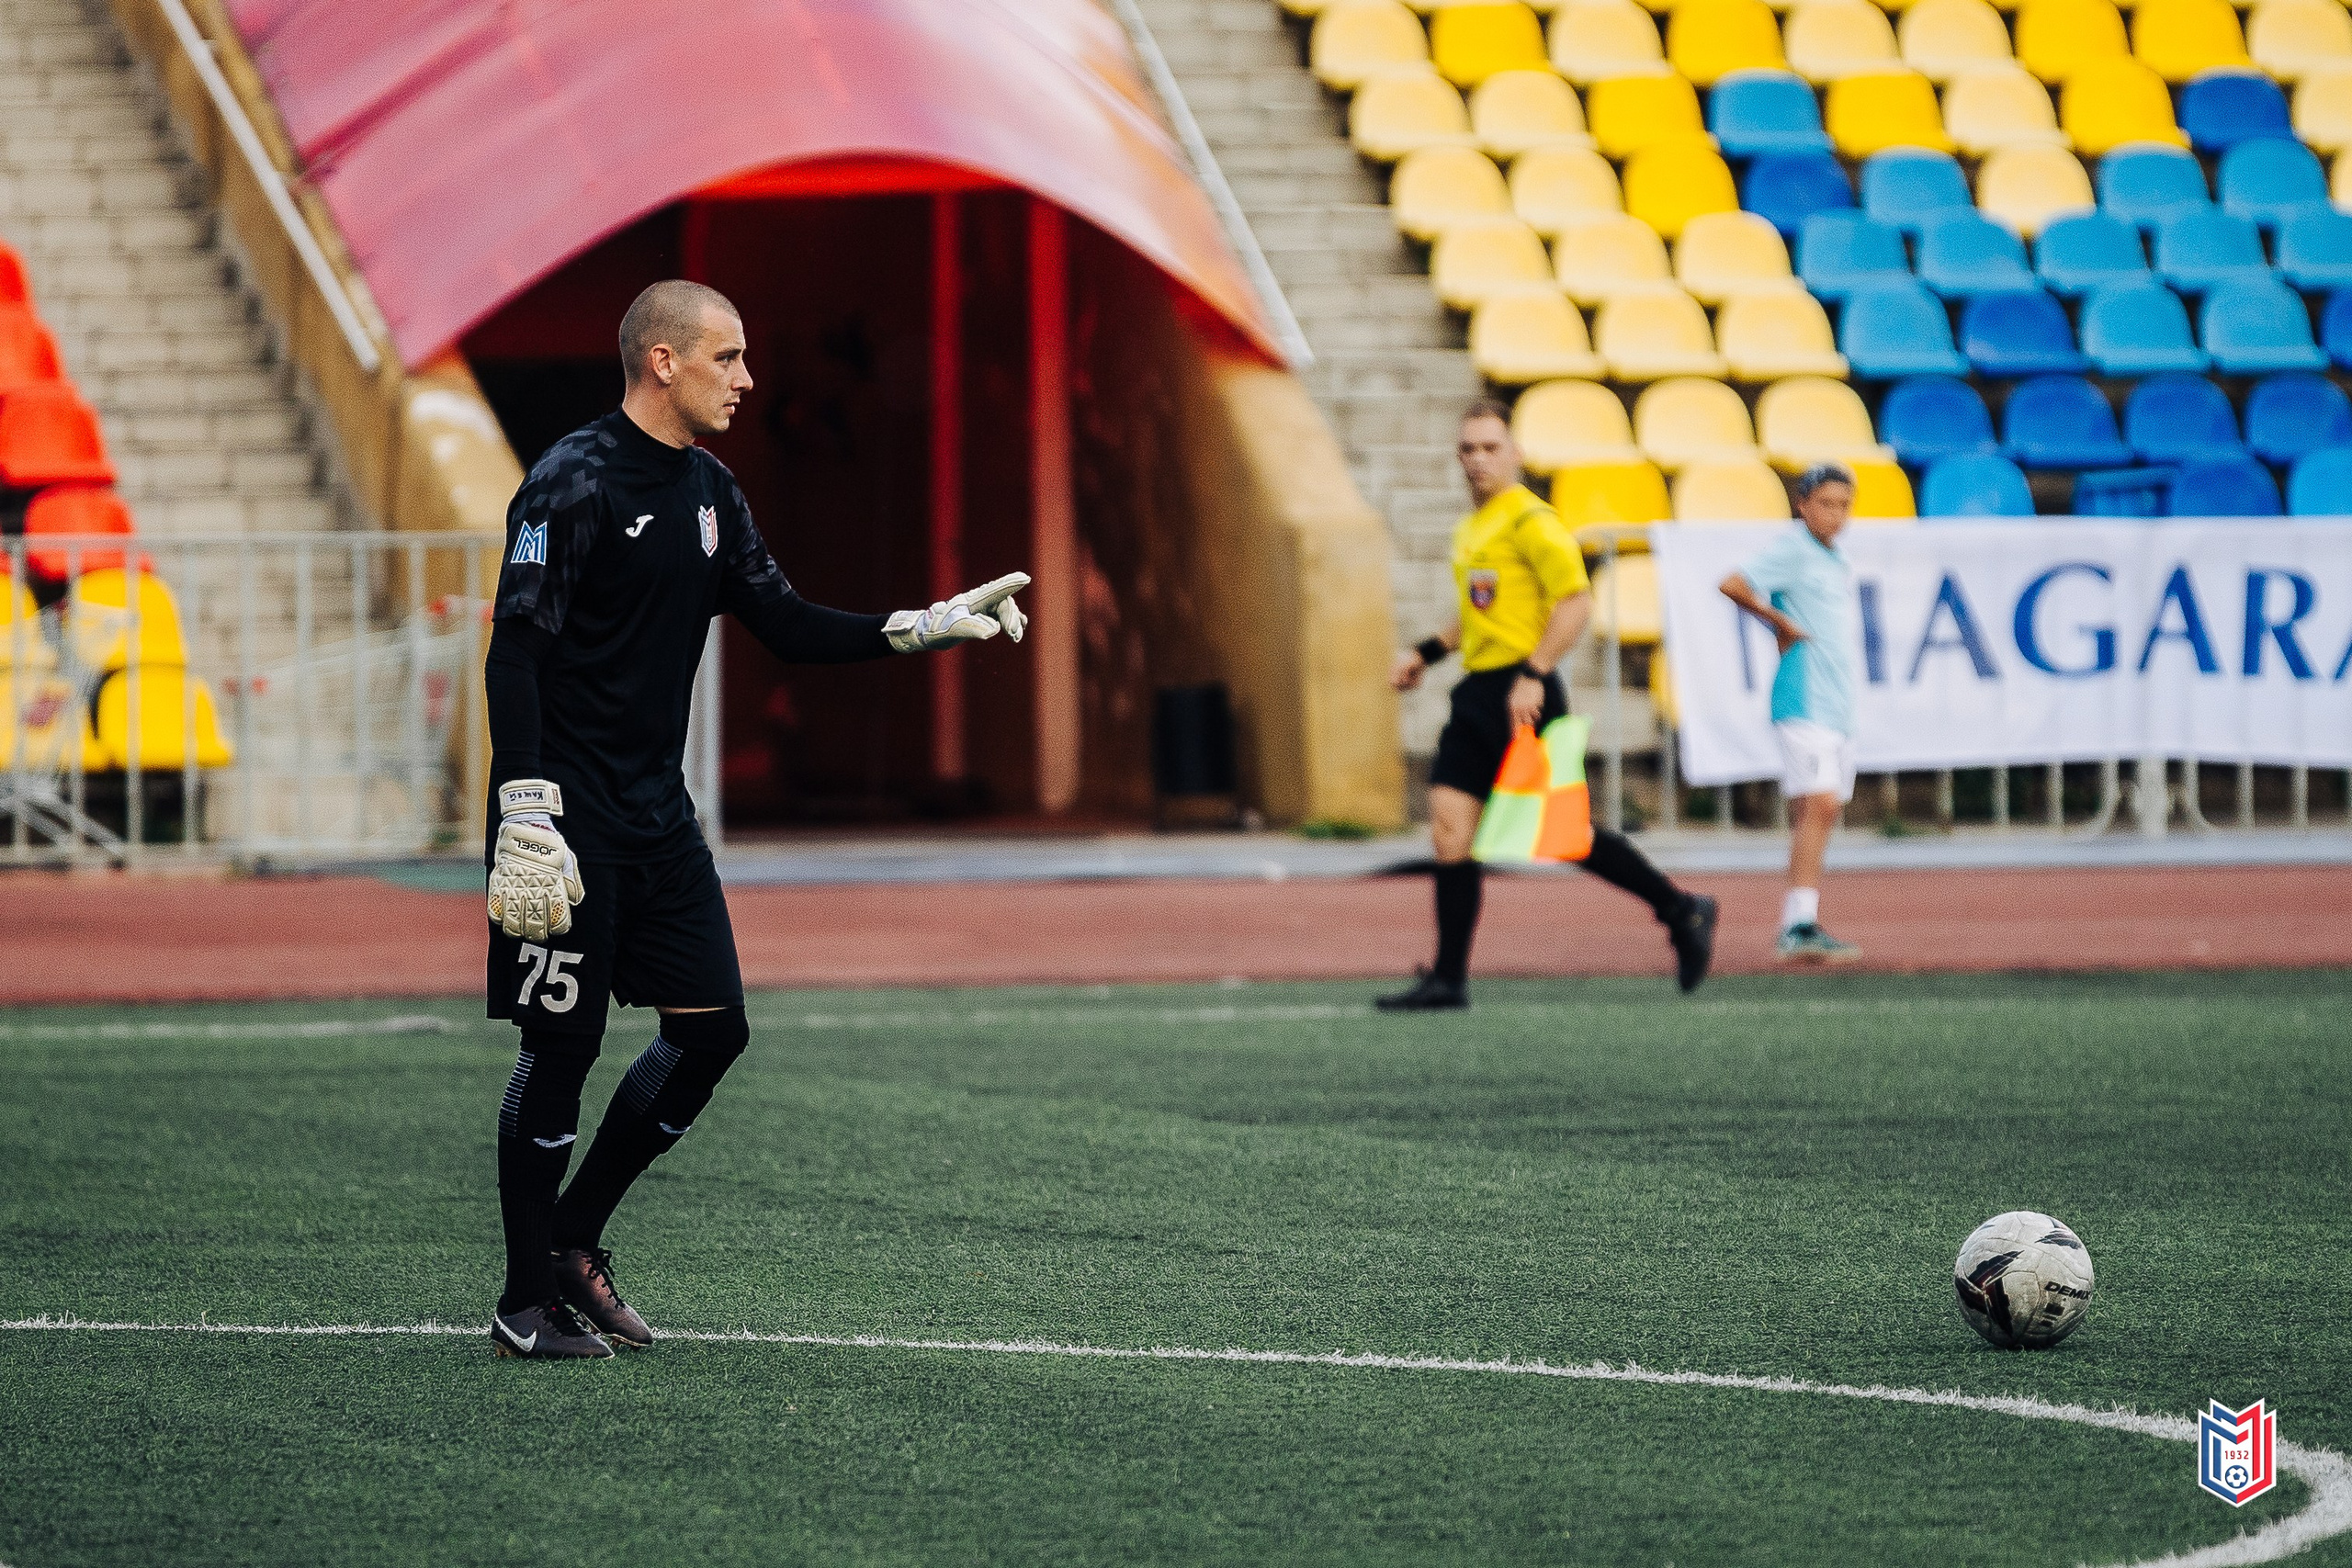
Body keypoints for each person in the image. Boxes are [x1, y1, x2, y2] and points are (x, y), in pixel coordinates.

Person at [481, 279, 1030, 1359]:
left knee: (712, 1031)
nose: (746, 379)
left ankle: (573, 1243)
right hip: (566, 821)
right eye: (727, 358)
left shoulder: (711, 492)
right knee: (563, 1049)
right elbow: (517, 651)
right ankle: (520, 1300)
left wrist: (916, 627)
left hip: (659, 820)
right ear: (663, 363)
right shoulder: (568, 482)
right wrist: (523, 804)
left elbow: (780, 619)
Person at [1380, 400, 1718, 1011]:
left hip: (1523, 694)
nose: (1478, 459)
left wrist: (1535, 673)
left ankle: (1682, 910)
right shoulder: (1473, 528)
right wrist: (1424, 653)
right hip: (1479, 692)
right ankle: (1449, 979)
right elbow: (1475, 613)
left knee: (1566, 837)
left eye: (1490, 447)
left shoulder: (1532, 521)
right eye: (1468, 449)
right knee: (1449, 827)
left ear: (1516, 454)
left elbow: (1574, 604)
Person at [1719, 462, 1863, 964]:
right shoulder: (1794, 548)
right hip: (1803, 698)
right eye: (1826, 503)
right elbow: (1734, 584)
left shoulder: (1834, 559)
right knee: (1820, 805)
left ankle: (1799, 919)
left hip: (1835, 702)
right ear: (1803, 505)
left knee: (1817, 811)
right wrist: (1778, 621)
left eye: (1844, 504)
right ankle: (1798, 924)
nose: (1837, 514)